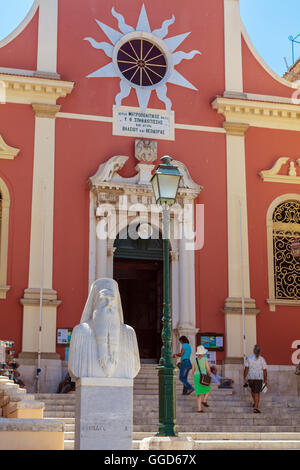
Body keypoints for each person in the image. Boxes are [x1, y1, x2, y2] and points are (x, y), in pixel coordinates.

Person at [244, 344, 267, 414]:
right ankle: (256, 407)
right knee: (257, 392)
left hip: (250, 377)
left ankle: (255, 402)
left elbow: (246, 368)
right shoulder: (262, 359)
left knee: (253, 390)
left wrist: (244, 376)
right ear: (260, 351)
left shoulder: (249, 358)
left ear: (254, 351)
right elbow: (265, 370)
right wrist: (265, 379)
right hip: (259, 378)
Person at [192, 345, 211, 412]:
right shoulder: (205, 359)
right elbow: (208, 369)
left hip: (196, 376)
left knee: (199, 393)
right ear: (202, 353)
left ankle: (199, 409)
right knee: (208, 389)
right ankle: (204, 400)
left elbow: (193, 371)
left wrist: (195, 375)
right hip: (203, 375)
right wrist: (209, 374)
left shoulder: (194, 360)